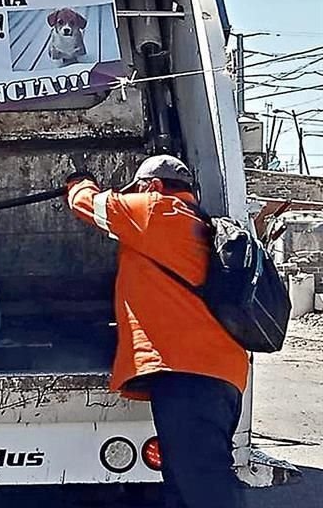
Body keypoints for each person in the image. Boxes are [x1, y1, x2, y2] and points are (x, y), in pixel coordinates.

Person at [65, 155, 248, 508]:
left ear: (154, 186)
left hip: (188, 373)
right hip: (216, 372)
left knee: (203, 486)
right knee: (186, 480)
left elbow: (87, 204)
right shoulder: (197, 222)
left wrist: (78, 180)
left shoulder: (156, 211)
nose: (135, 195)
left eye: (138, 189)